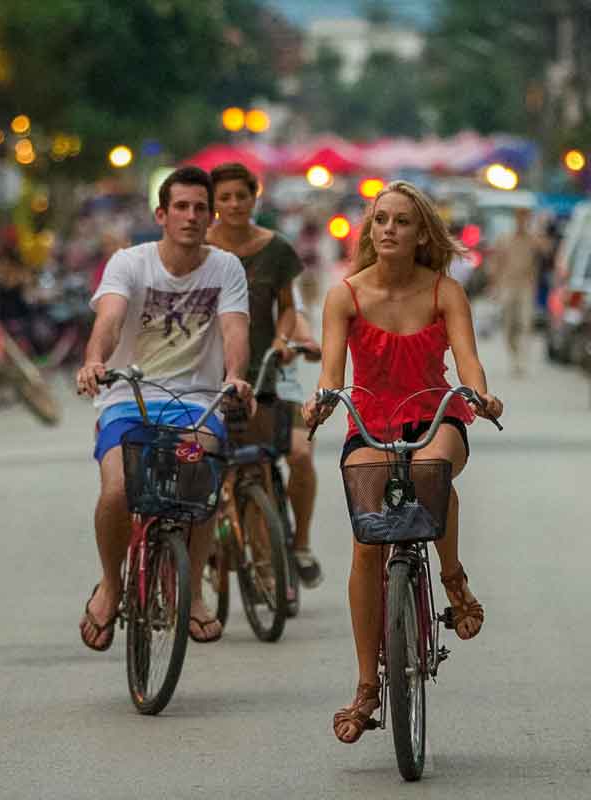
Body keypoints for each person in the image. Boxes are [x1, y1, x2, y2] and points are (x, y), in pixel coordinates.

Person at [302, 181, 504, 744]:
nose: (390, 229)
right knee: (367, 540)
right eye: (381, 219)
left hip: (436, 415)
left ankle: (454, 580)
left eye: (403, 222)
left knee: (427, 472)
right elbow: (330, 374)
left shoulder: (445, 292)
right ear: (370, 230)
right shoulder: (345, 295)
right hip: (369, 423)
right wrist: (319, 401)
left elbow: (468, 360)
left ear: (422, 235)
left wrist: (480, 396)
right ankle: (368, 686)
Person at [75, 166, 254, 650]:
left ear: (210, 216)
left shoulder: (225, 268)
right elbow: (110, 320)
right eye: (181, 207)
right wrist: (95, 361)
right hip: (127, 399)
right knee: (117, 491)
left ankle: (192, 591)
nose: (191, 216)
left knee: (201, 487)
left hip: (195, 404)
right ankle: (111, 586)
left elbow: (235, 329)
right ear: (161, 214)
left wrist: (236, 374)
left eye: (201, 208)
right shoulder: (129, 263)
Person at [207, 162, 325, 587]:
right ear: (212, 204)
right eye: (225, 197)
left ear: (255, 197)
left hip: (271, 372)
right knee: (214, 465)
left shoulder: (275, 249)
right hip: (215, 375)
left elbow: (291, 307)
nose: (235, 204)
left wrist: (284, 340)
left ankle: (300, 544)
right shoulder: (199, 249)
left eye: (242, 195)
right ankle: (218, 544)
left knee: (300, 455)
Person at [488, 208, 547, 377]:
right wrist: (494, 285)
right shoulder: (505, 239)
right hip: (507, 285)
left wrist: (539, 228)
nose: (522, 221)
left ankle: (520, 361)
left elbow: (546, 249)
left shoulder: (532, 239)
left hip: (526, 286)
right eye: (520, 218)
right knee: (509, 324)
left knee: (525, 323)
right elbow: (495, 262)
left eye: (525, 218)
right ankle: (513, 352)